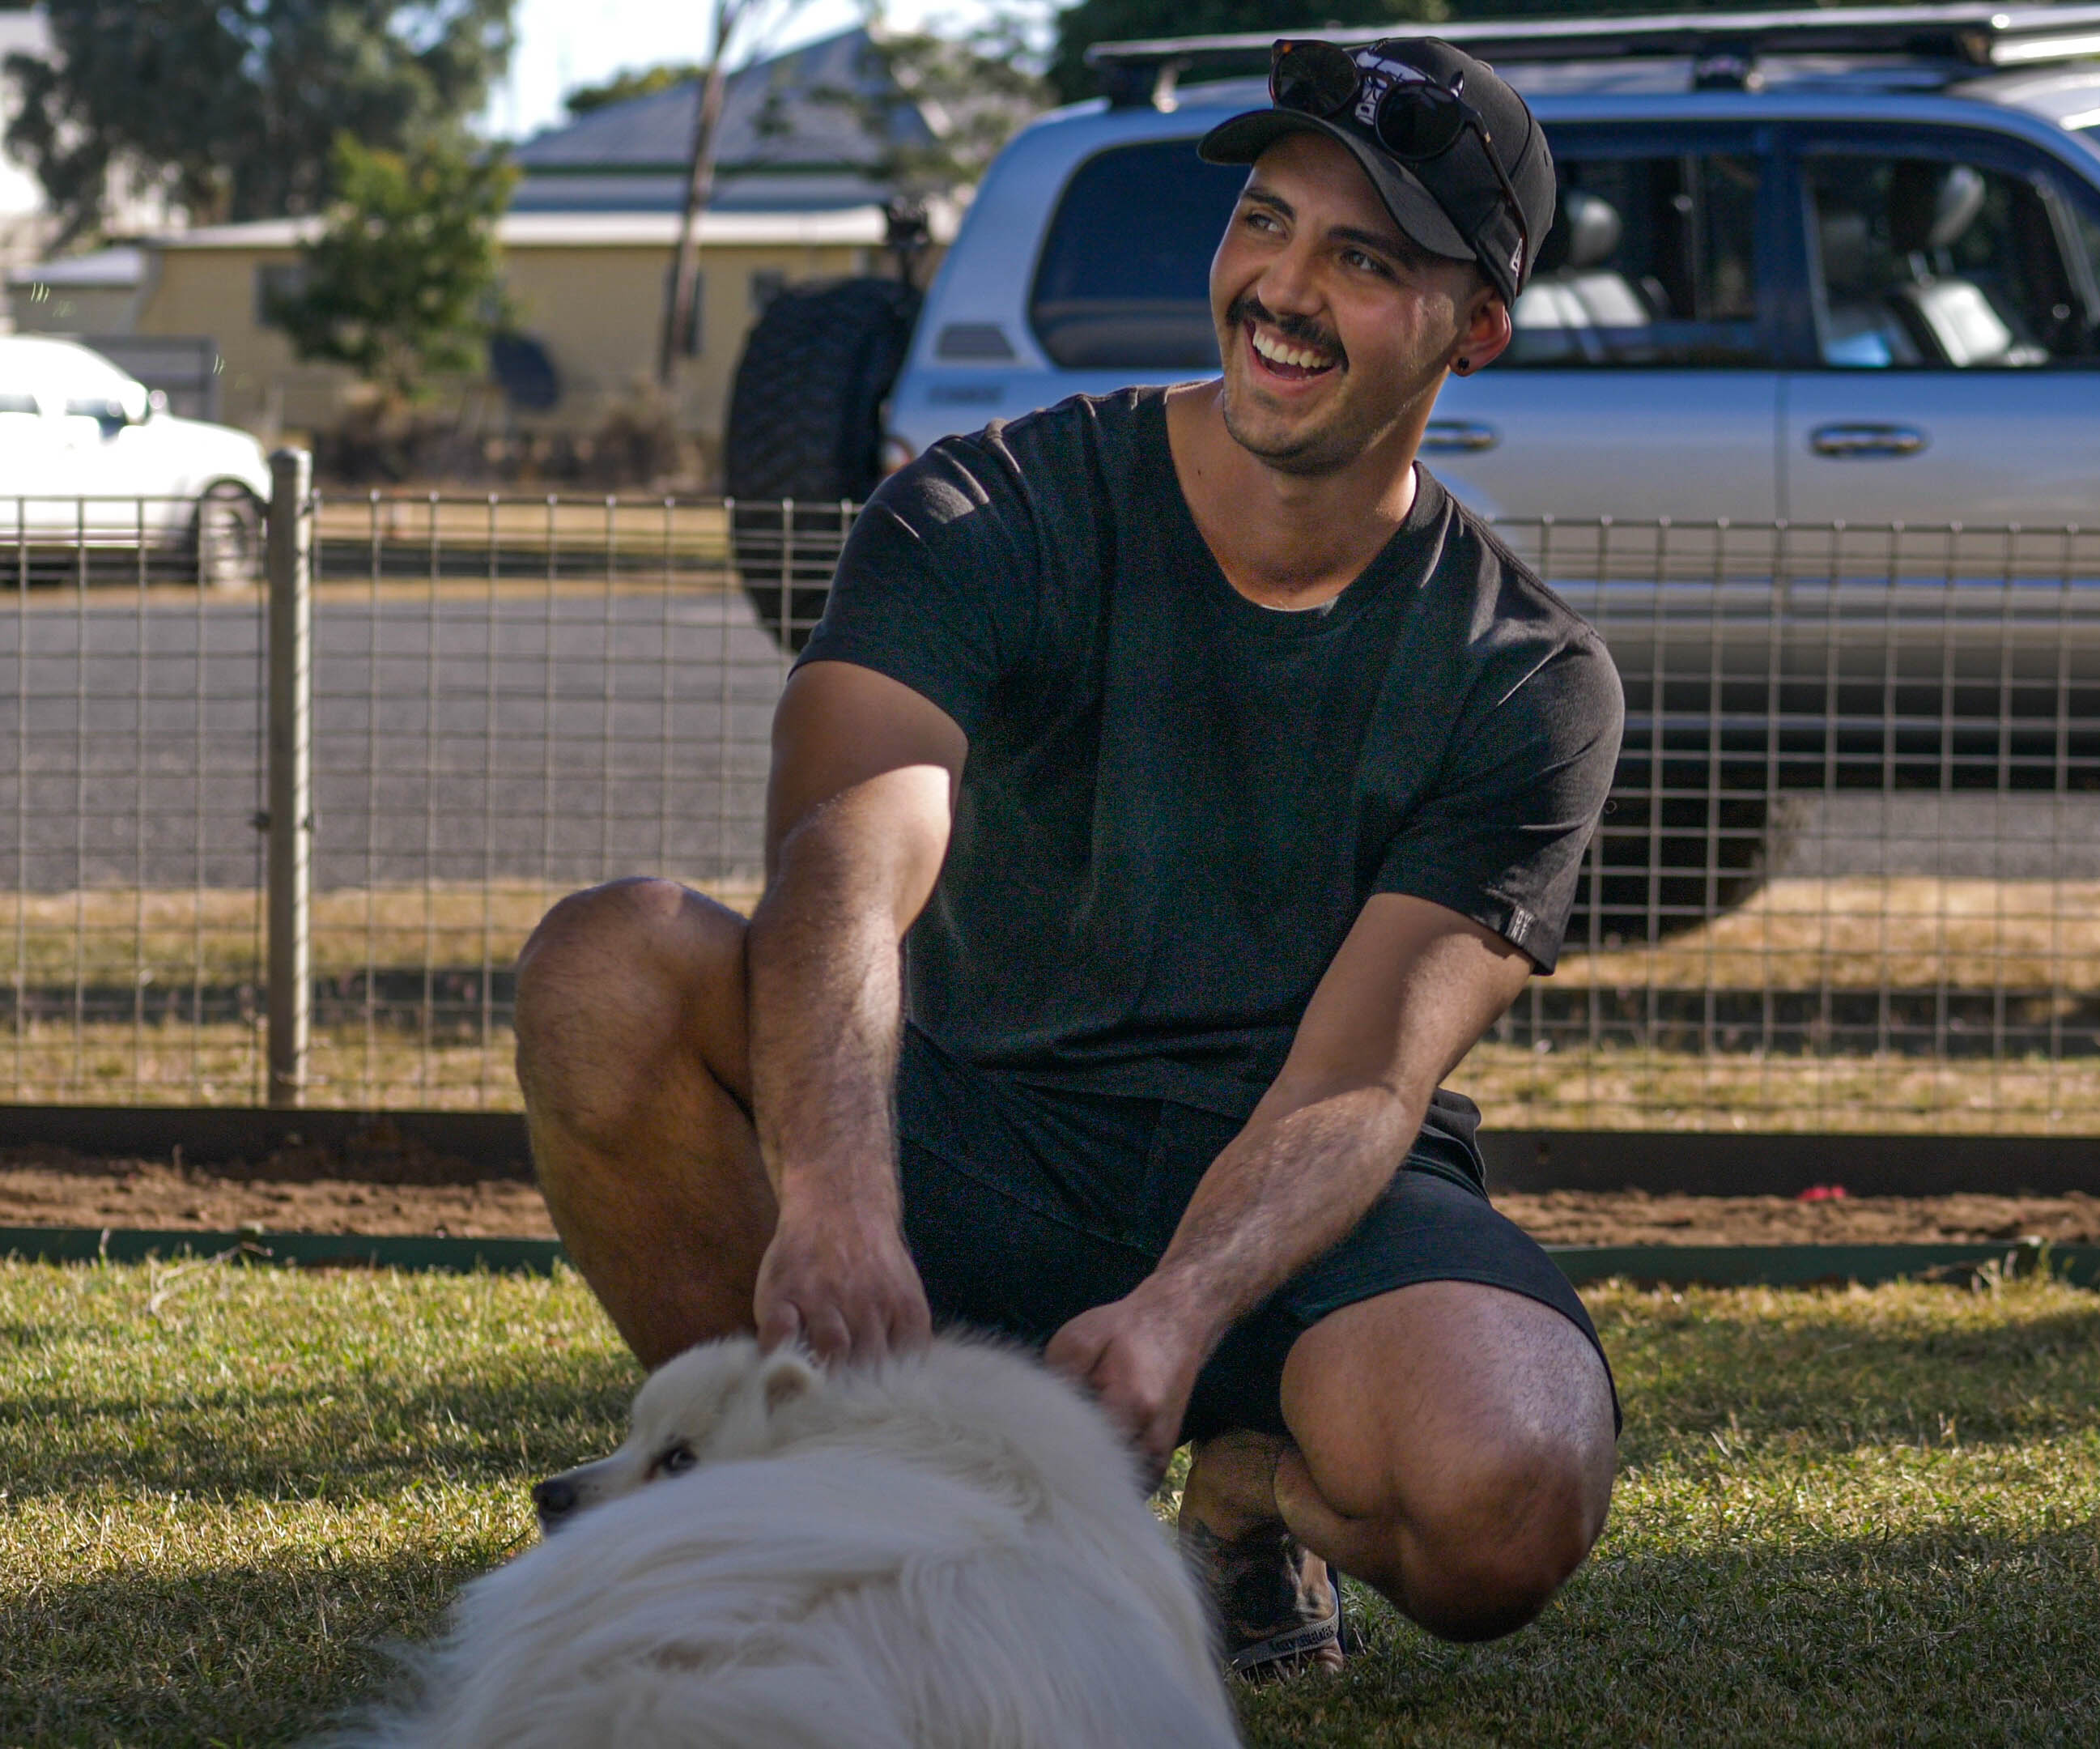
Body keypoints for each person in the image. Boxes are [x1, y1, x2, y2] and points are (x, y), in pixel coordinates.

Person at [513, 36, 1622, 1679]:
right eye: (1265, 222)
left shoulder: (1527, 679)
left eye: (1364, 260)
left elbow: (1362, 1085)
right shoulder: (995, 504)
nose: (1283, 289)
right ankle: (811, 1518)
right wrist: (833, 1194)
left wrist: (1182, 1306)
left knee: (1503, 1497)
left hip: (1280, 1184)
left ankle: (1244, 1499)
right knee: (606, 969)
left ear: (1474, 329)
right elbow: (849, 853)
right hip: (967, 1130)